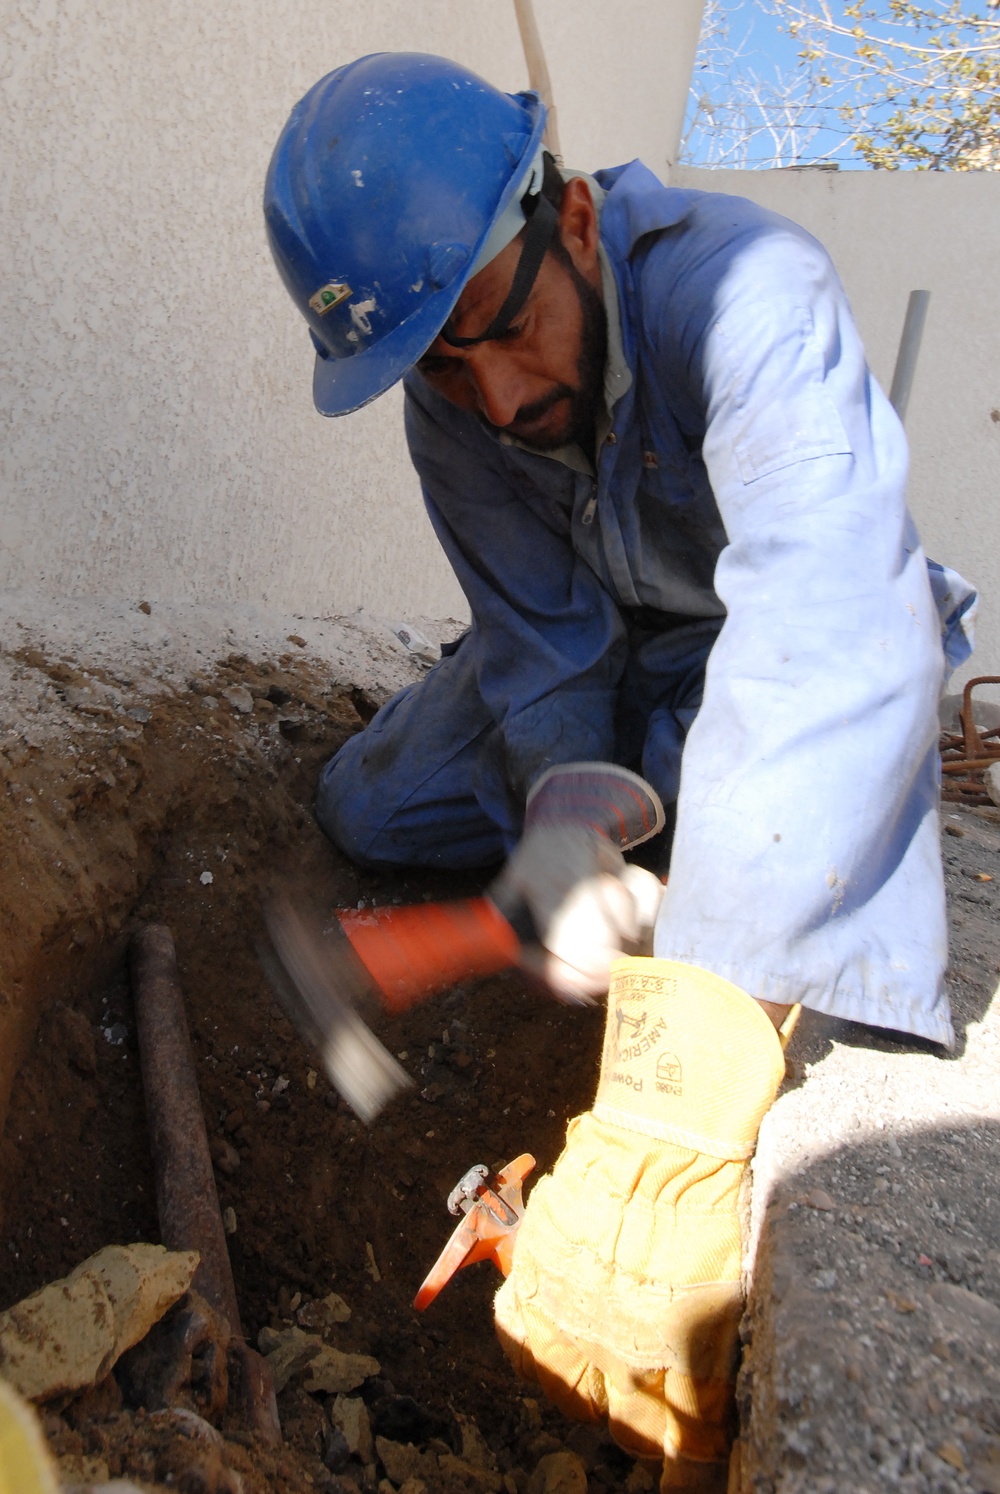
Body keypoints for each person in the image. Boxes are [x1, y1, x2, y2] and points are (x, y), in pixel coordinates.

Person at [264, 52, 975, 1488]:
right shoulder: (449, 407)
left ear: (570, 220)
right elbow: (542, 649)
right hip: (628, 656)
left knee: (781, 763)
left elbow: (822, 602)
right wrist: (570, 830)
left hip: (770, 630)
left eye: (495, 326)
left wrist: (686, 1072)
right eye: (442, 368)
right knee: (369, 803)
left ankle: (717, 877)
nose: (498, 392)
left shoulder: (746, 291)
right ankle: (661, 837)